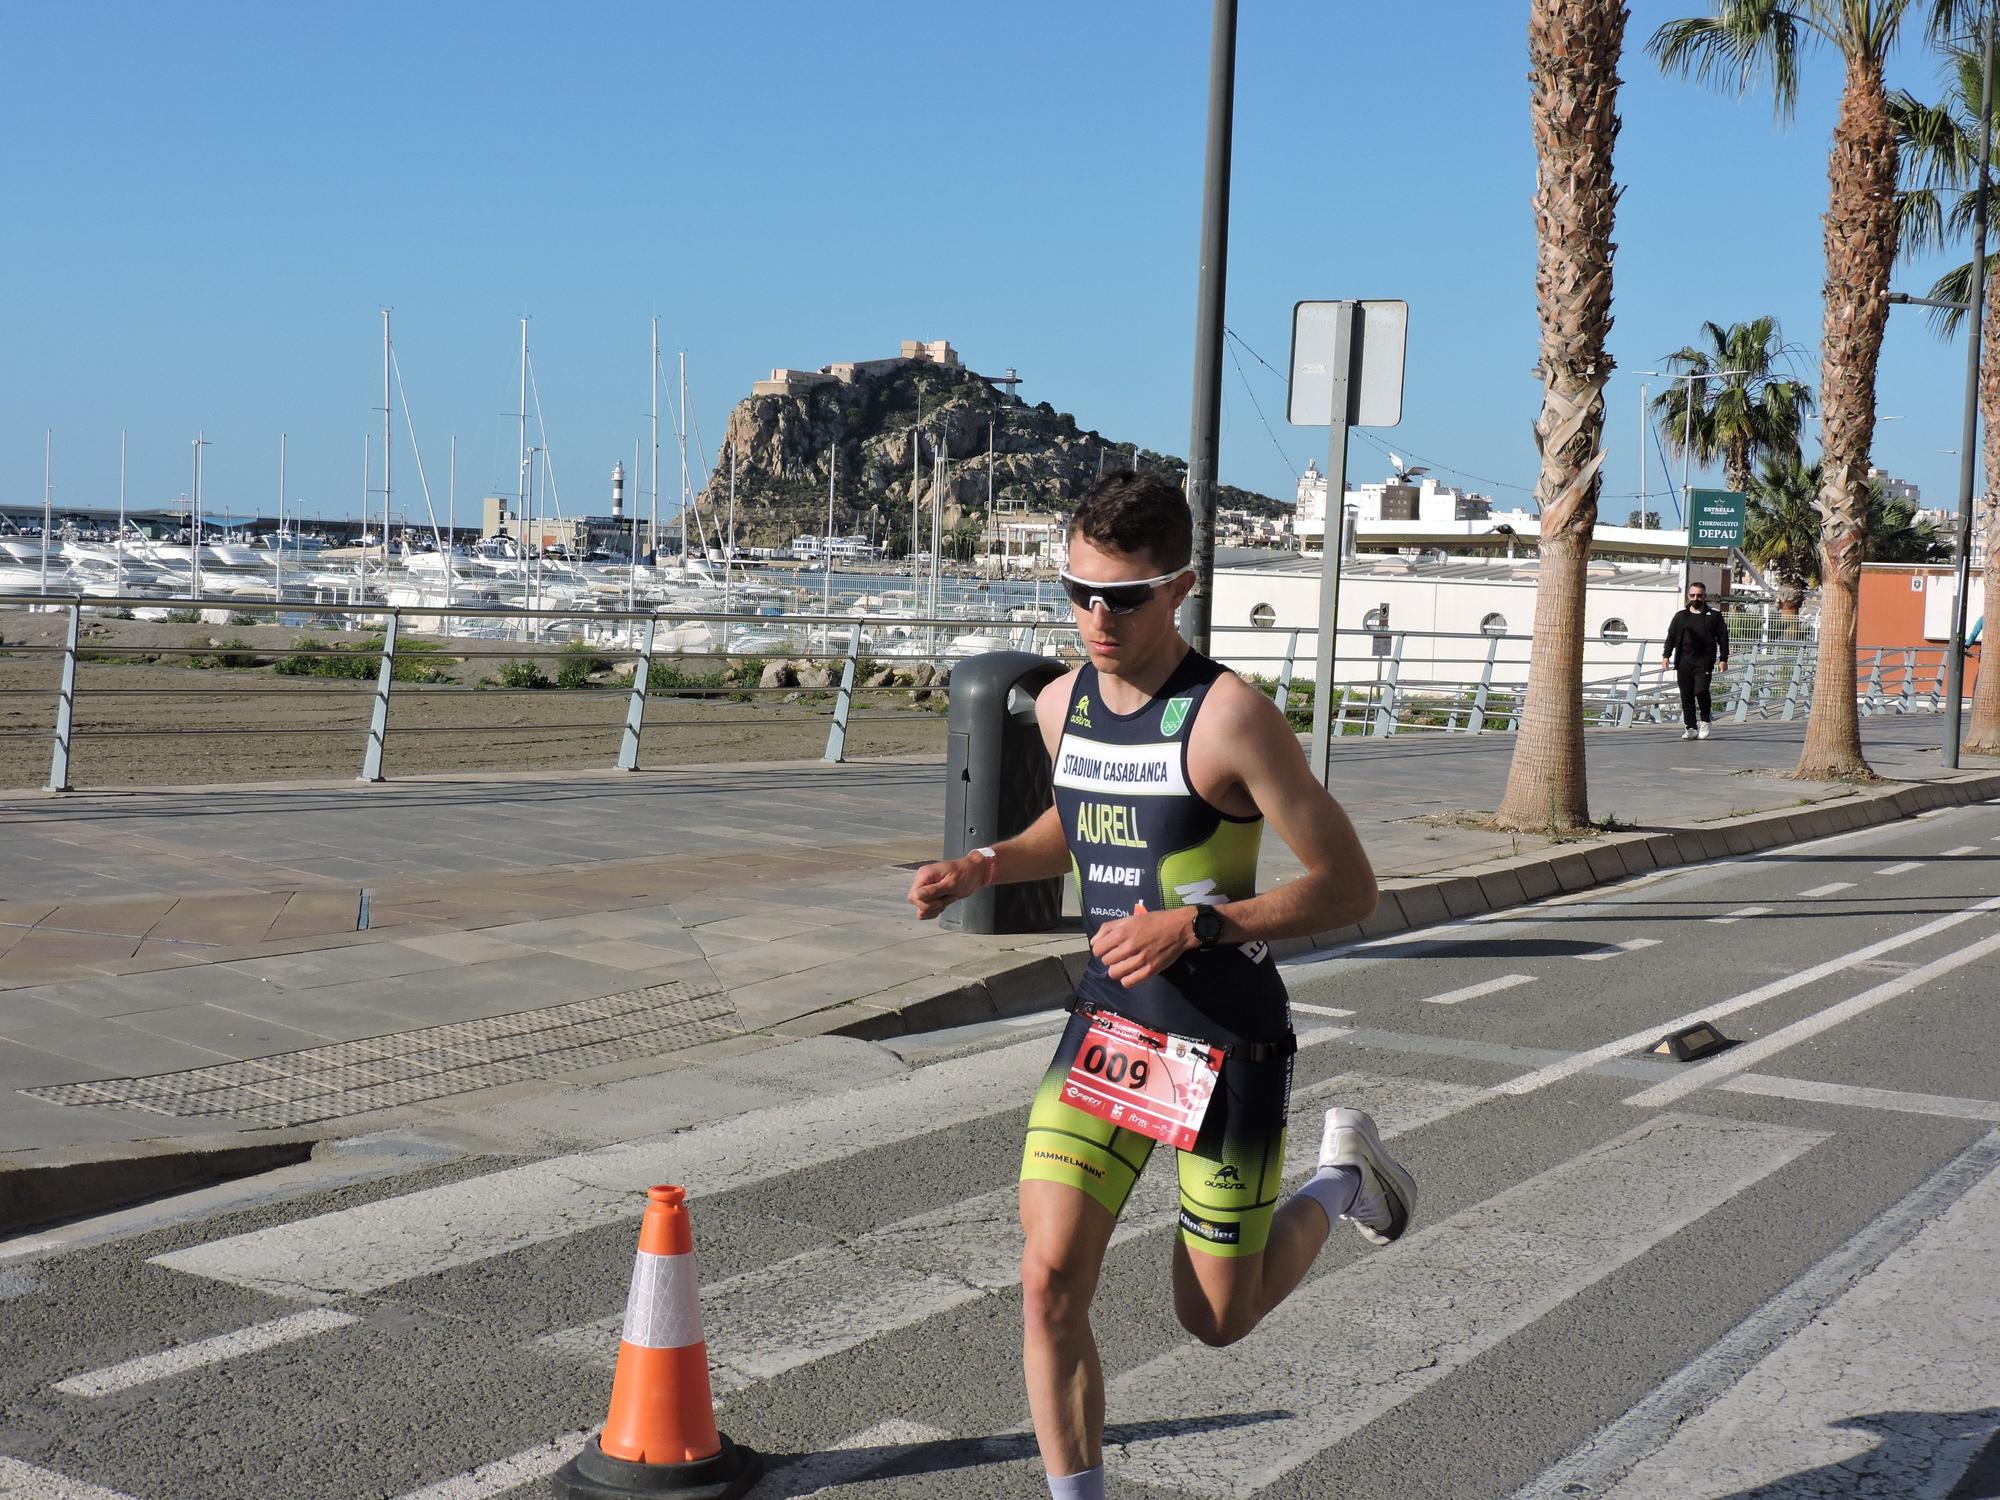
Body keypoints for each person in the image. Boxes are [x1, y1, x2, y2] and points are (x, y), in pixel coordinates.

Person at [905, 471, 1412, 1500]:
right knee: (1045, 1282)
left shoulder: (1231, 720)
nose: (1096, 619)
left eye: (1123, 598)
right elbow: (1084, 821)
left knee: (1214, 1320)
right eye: (1076, 593)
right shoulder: (1057, 703)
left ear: (1178, 587)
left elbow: (1348, 887)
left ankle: (1343, 1180)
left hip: (1222, 1042)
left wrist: (1199, 923)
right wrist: (984, 864)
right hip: (1111, 1029)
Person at [1662, 580, 1730, 740]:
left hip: (1704, 662)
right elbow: (1671, 637)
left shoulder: (1714, 616)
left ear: (1704, 596)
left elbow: (1723, 638)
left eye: (1699, 595)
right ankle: (1690, 727)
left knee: (1700, 691)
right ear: (1688, 596)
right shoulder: (1680, 617)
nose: (1696, 598)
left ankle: (1706, 721)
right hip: (1683, 662)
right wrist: (1666, 655)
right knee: (1686, 694)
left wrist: (1723, 659)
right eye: (1693, 595)